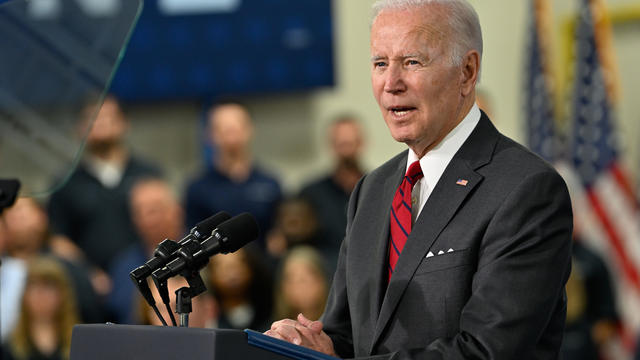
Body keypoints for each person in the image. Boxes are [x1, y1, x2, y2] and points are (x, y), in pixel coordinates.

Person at [266, 0, 573, 358]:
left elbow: (487, 351)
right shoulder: (372, 190)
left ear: (467, 71)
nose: (391, 84)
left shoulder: (526, 189)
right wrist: (312, 346)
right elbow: (349, 335)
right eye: (380, 63)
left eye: (412, 62)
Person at [47, 95, 161, 296]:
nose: (100, 124)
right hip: (89, 288)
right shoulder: (65, 183)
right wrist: (88, 274)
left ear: (124, 123)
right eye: (92, 119)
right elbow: (58, 239)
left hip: (147, 282)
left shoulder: (147, 175)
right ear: (79, 129)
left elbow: (166, 226)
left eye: (107, 117)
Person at [184, 102, 282, 250]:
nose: (231, 135)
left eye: (236, 127)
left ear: (250, 130)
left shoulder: (270, 183)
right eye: (222, 129)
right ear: (209, 135)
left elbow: (278, 236)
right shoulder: (197, 188)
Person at [108, 178, 184, 324]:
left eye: (153, 210)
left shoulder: (201, 253)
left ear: (176, 210)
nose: (147, 219)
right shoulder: (123, 265)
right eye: (139, 212)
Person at [299, 116, 366, 273]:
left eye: (351, 143)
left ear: (361, 143)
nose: (347, 151)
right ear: (331, 146)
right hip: (325, 273)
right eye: (342, 144)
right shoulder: (310, 194)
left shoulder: (380, 188)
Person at [2, 257, 80, 360]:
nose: (40, 294)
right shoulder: (9, 348)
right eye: (33, 285)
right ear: (24, 295)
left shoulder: (80, 342)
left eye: (48, 286)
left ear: (63, 294)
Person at [273, 246, 329, 322]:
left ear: (321, 280)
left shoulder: (339, 327)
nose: (297, 287)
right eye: (290, 280)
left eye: (304, 280)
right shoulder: (274, 329)